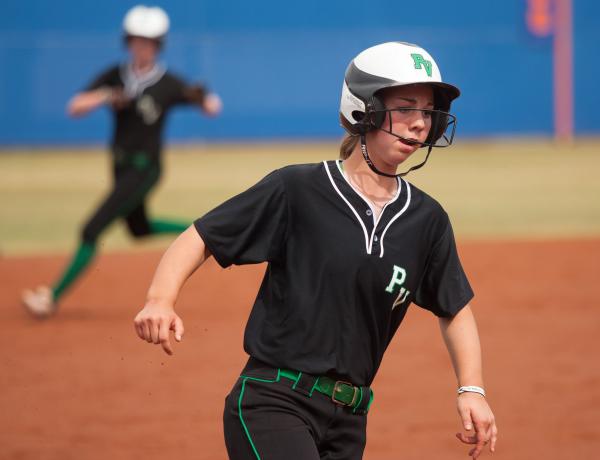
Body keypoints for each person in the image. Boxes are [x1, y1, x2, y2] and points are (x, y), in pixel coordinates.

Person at [133, 41, 497, 459]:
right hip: (274, 402)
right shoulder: (298, 190)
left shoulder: (427, 219)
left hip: (349, 421)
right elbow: (202, 236)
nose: (419, 123)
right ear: (365, 107)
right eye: (406, 106)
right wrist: (160, 299)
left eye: (428, 112)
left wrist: (472, 389)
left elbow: (454, 308)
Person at [22, 5, 222, 318]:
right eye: (136, 40)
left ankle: (51, 297)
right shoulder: (115, 76)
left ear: (159, 45)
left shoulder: (168, 82)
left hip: (145, 169)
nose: (141, 46)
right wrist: (105, 96)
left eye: (149, 41)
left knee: (91, 229)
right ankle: (209, 229)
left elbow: (213, 107)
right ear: (127, 41)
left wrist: (201, 96)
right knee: (138, 228)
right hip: (120, 165)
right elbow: (74, 106)